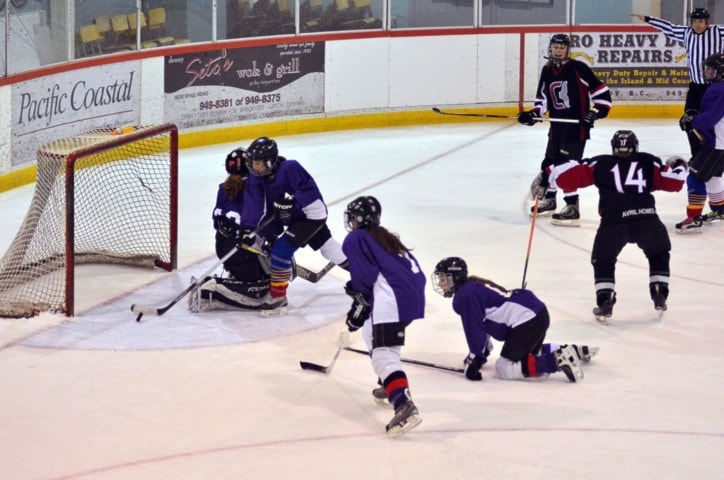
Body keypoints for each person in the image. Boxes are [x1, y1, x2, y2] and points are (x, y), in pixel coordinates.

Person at [550, 130, 687, 323]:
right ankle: (659, 291)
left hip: (613, 223)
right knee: (659, 253)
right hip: (647, 220)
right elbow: (675, 182)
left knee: (603, 260)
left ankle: (606, 300)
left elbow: (567, 177)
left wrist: (547, 175)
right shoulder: (648, 161)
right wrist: (679, 165)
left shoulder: (601, 163)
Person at [431, 257, 594, 383]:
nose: (440, 283)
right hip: (536, 314)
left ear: (457, 278)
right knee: (531, 355)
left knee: (504, 368)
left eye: (444, 279)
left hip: (526, 322)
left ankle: (557, 359)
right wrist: (483, 351)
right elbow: (481, 326)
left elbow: (474, 329)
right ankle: (572, 350)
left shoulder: (465, 296)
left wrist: (475, 359)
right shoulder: (472, 288)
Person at [341, 195, 425, 437]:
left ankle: (403, 403)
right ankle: (388, 383)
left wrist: (359, 298)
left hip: (391, 299)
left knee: (383, 353)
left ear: (357, 218)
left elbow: (365, 279)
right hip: (411, 297)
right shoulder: (386, 237)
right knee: (371, 332)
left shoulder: (356, 238)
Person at [240, 137, 348, 316]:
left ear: (270, 161)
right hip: (289, 218)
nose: (254, 167)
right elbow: (254, 204)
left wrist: (292, 203)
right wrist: (247, 228)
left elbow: (310, 193)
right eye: (252, 163)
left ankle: (278, 298)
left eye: (258, 163)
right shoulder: (256, 177)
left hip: (310, 215)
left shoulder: (290, 168)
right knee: (329, 250)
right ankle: (368, 273)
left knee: (281, 251)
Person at [518, 33, 613, 227]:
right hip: (557, 128)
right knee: (549, 162)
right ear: (550, 49)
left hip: (576, 129)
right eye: (555, 47)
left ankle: (572, 207)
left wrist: (594, 113)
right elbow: (542, 99)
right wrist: (533, 114)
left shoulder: (578, 68)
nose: (558, 50)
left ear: (567, 50)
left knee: (566, 167)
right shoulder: (547, 71)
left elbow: (602, 94)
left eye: (562, 47)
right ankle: (551, 200)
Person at [189, 147, 276, 312]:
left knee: (264, 275)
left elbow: (218, 222)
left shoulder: (223, 188)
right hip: (242, 250)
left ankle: (236, 274)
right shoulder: (255, 188)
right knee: (264, 290)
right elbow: (263, 224)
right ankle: (211, 291)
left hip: (224, 247)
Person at [631, 8, 724, 158]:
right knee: (688, 121)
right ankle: (697, 155)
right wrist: (647, 19)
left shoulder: (718, 32)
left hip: (714, 87)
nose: (697, 25)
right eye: (694, 21)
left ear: (707, 22)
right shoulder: (686, 32)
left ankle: (713, 154)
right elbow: (669, 27)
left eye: (700, 21)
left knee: (712, 122)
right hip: (696, 87)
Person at [676, 52, 724, 232]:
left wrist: (691, 120)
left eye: (711, 69)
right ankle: (720, 210)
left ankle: (694, 217)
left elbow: (711, 118)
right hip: (720, 142)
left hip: (716, 144)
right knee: (714, 176)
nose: (707, 72)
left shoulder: (719, 89)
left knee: (695, 176)